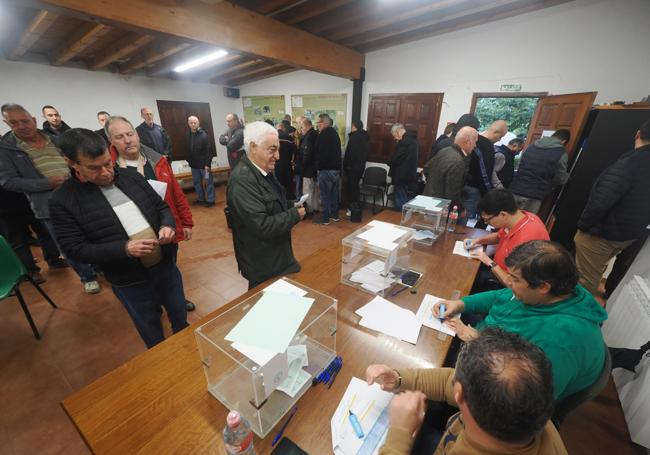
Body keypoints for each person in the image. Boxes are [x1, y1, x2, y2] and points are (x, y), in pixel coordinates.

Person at [50, 128, 188, 348]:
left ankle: (187, 347)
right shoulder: (63, 201)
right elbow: (74, 249)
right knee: (151, 328)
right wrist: (124, 248)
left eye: (107, 163)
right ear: (71, 162)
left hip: (165, 267)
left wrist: (166, 225)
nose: (106, 172)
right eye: (94, 168)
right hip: (129, 280)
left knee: (180, 314)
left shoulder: (131, 176)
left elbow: (161, 207)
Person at [434, 240, 608, 400]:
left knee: (429, 372)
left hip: (493, 380)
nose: (508, 282)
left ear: (543, 287)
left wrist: (478, 341)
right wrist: (460, 304)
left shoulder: (559, 342)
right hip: (486, 340)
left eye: (515, 279)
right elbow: (498, 297)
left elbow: (517, 395)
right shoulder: (551, 291)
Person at [368, 327, 566, 455]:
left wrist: (399, 433)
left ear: (460, 393)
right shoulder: (529, 406)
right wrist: (400, 378)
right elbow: (448, 380)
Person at [0, 103, 100, 294]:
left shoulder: (55, 139)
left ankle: (98, 266)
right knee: (68, 243)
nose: (21, 126)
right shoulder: (7, 149)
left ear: (35, 120)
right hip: (48, 205)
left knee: (91, 234)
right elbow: (8, 182)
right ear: (7, 123)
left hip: (78, 196)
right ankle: (87, 276)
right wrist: (46, 184)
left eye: (25, 121)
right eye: (14, 122)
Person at [106, 115, 196, 312]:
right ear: (111, 141)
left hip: (166, 229)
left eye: (130, 134)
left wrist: (186, 223)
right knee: (144, 274)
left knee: (169, 268)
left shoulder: (158, 160)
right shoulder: (109, 169)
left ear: (137, 135)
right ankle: (154, 303)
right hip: (134, 235)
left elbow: (176, 193)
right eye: (120, 137)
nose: (127, 140)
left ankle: (174, 299)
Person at [574, 119, 650, 296]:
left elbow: (602, 200)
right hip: (629, 234)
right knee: (594, 273)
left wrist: (583, 226)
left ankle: (574, 318)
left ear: (637, 134)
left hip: (600, 234)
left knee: (584, 281)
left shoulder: (630, 163)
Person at [226, 121, 306, 289]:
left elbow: (272, 202)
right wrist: (294, 214)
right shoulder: (242, 181)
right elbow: (262, 225)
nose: (277, 156)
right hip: (263, 265)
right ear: (253, 147)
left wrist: (293, 204)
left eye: (277, 150)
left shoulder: (263, 171)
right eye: (272, 150)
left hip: (277, 257)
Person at [465, 188, 549, 292]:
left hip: (506, 287)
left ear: (502, 214)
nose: (487, 223)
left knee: (467, 281)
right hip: (497, 271)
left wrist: (489, 262)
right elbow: (498, 236)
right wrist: (477, 241)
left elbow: (513, 284)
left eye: (487, 220)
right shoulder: (519, 217)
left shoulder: (525, 240)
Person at [0, 184, 65, 283]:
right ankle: (31, 271)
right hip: (6, 211)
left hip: (30, 203)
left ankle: (54, 259)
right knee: (18, 243)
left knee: (45, 233)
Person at [510, 129, 571, 214]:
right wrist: (567, 178)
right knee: (525, 223)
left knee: (506, 220)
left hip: (516, 189)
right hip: (534, 195)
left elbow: (521, 165)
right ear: (564, 141)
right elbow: (560, 178)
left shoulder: (531, 146)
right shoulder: (561, 153)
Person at [423, 126, 478, 213]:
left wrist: (434, 185)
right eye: (475, 142)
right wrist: (460, 210)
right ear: (468, 142)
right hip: (441, 207)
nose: (475, 146)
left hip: (428, 199)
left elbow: (426, 169)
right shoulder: (458, 161)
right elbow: (452, 193)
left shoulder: (444, 150)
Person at [463, 120, 508, 219]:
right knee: (464, 219)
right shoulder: (486, 146)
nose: (499, 140)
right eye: (500, 136)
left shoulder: (473, 139)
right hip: (474, 189)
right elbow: (485, 174)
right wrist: (488, 192)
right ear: (496, 132)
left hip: (461, 185)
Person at [314, 113, 342, 225]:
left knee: (325, 195)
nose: (317, 125)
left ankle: (325, 219)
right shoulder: (335, 133)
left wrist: (319, 167)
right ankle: (334, 215)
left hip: (326, 170)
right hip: (335, 170)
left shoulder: (323, 135)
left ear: (325, 123)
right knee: (334, 194)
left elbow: (322, 154)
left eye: (319, 122)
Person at [387, 123, 418, 211]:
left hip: (401, 176)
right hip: (408, 175)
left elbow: (395, 159)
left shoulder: (405, 142)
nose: (395, 138)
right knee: (403, 198)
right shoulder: (413, 140)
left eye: (394, 136)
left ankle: (397, 220)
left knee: (400, 201)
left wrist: (389, 161)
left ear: (397, 132)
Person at [186, 115, 216, 207]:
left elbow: (209, 151)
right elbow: (187, 149)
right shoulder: (188, 136)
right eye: (191, 123)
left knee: (208, 182)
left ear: (198, 124)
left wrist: (207, 164)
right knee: (196, 183)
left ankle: (211, 200)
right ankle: (201, 199)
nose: (193, 125)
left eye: (195, 123)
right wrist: (189, 161)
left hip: (204, 166)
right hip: (194, 166)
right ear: (189, 124)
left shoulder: (204, 135)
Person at [343, 119, 369, 215]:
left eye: (352, 126)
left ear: (355, 127)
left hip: (352, 167)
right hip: (360, 167)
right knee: (355, 187)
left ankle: (352, 208)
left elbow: (350, 154)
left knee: (352, 188)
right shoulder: (365, 137)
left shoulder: (355, 137)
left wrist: (346, 166)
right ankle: (356, 207)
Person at [299, 117, 319, 214]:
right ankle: (315, 208)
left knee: (307, 190)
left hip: (308, 169)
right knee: (315, 190)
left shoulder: (308, 136)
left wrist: (302, 167)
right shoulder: (316, 134)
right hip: (315, 168)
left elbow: (307, 153)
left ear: (306, 126)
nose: (301, 130)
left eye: (302, 127)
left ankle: (308, 210)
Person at [276, 120, 296, 199]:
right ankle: (289, 201)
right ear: (284, 128)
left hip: (276, 165)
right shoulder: (289, 138)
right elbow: (295, 151)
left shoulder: (272, 137)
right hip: (287, 165)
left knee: (278, 185)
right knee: (288, 184)